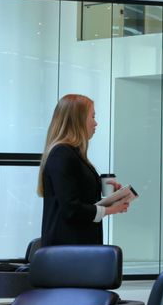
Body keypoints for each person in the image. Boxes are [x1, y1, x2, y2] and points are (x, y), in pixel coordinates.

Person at [38, 94, 129, 246]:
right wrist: (110, 210)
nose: (96, 123)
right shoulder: (62, 153)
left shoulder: (71, 153)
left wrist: (104, 190)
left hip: (76, 247)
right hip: (68, 250)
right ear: (77, 120)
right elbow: (71, 209)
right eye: (92, 117)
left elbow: (75, 191)